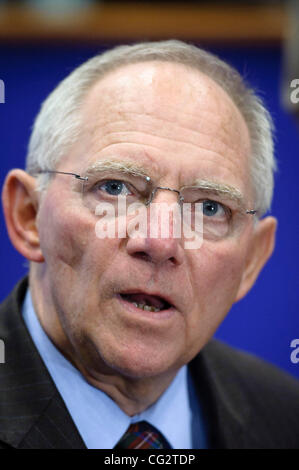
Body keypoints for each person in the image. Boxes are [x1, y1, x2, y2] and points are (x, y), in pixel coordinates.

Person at [1, 40, 299, 450]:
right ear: (29, 217)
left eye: (210, 208)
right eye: (115, 187)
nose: (160, 241)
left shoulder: (286, 416)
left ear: (251, 260)